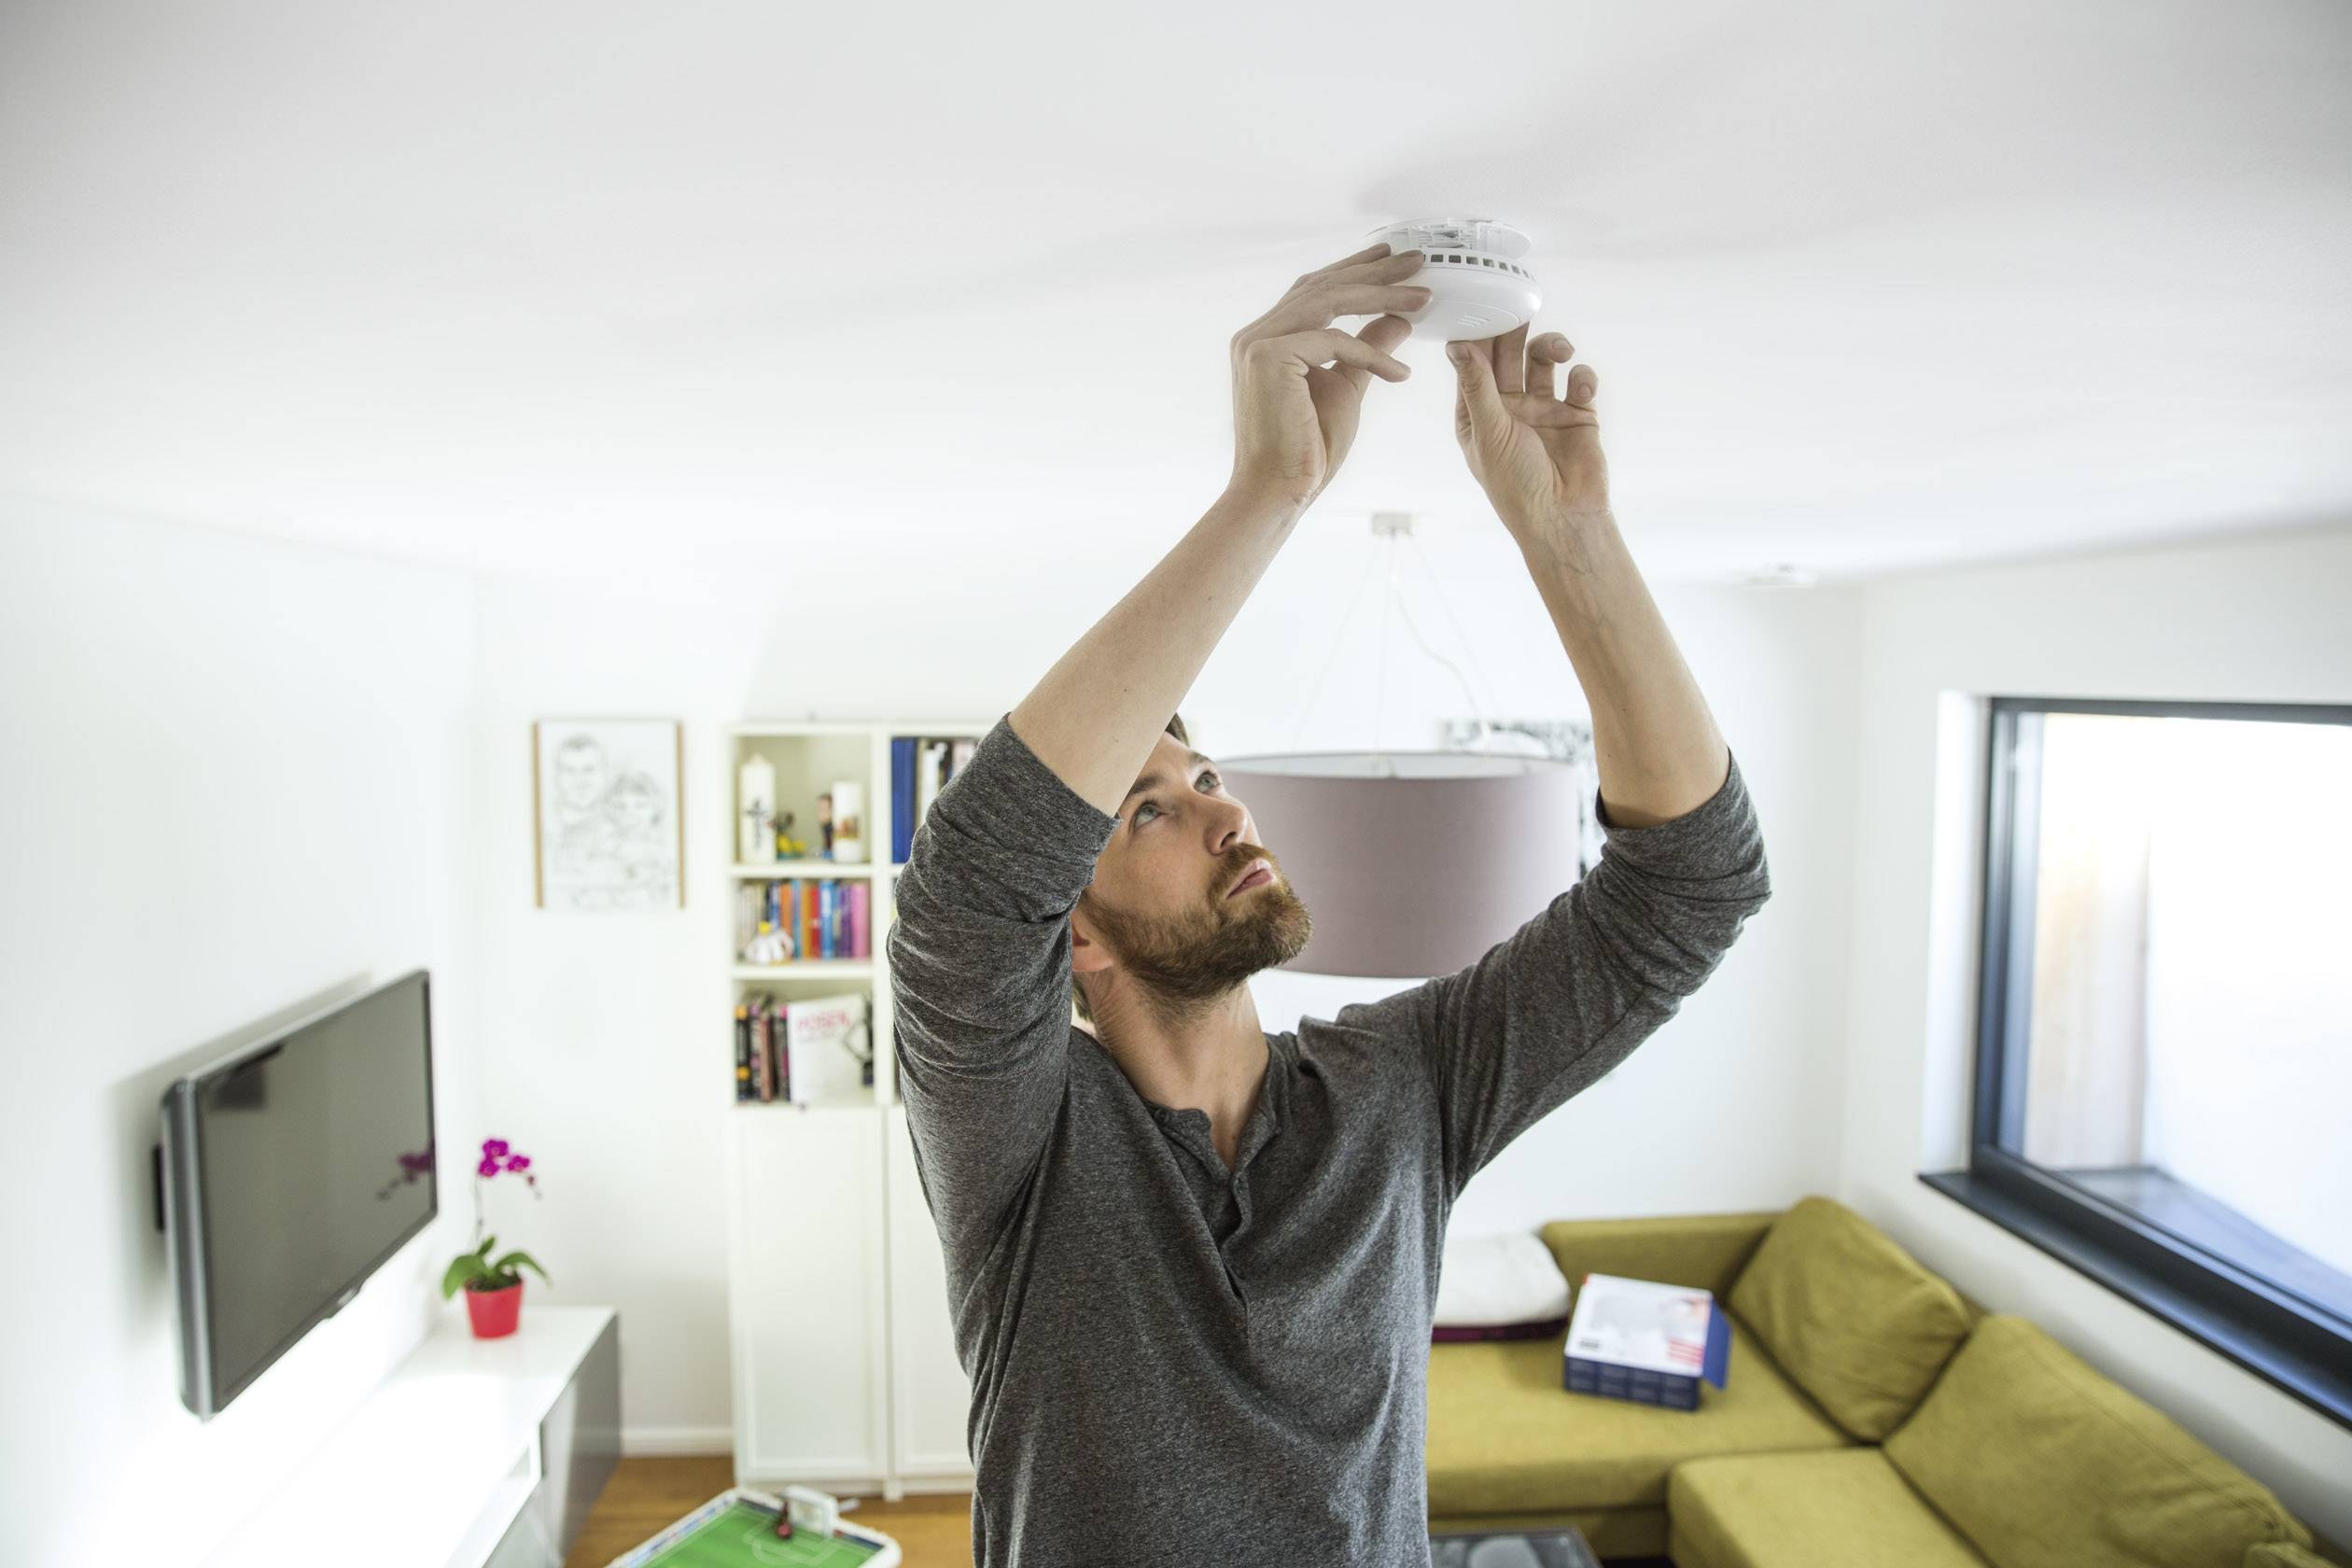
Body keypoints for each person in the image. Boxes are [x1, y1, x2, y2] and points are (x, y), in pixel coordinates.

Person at [886, 241, 1771, 1567]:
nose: (1227, 813)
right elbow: (968, 888)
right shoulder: (1021, 1139)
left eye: (1210, 778)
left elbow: (1692, 890)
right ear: (1073, 932)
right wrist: (1270, 489)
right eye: (1150, 812)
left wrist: (1569, 534)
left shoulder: (1403, 1090)